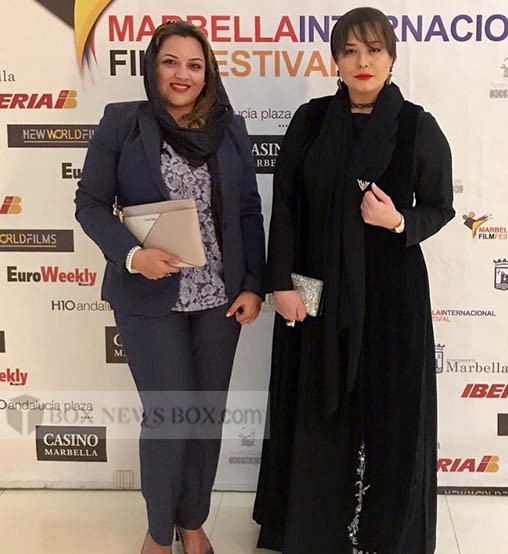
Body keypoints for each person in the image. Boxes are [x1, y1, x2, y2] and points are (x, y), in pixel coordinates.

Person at [253, 7, 454, 554]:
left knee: (389, 411)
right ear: (335, 61)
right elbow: (285, 205)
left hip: (392, 297)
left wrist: (398, 220)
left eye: (374, 50)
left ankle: (385, 534)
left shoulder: (416, 126)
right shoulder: (311, 120)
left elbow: (440, 207)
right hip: (314, 287)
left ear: (391, 58)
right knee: (317, 404)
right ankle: (315, 530)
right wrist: (282, 284)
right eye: (350, 51)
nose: (363, 61)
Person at [75, 21, 265, 554]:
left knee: (205, 417)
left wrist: (252, 283)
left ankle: (192, 520)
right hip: (148, 297)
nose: (183, 74)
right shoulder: (122, 123)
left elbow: (249, 212)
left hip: (219, 300)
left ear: (208, 74)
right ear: (152, 67)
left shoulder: (229, 128)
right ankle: (159, 532)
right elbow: (90, 204)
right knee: (169, 417)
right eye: (171, 62)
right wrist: (134, 256)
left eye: (195, 65)